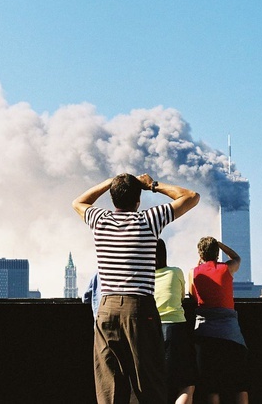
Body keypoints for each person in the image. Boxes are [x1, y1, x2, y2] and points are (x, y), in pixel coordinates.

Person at [72, 173, 200, 404]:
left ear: (112, 199)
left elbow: (78, 202)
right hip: (139, 309)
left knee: (109, 385)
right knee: (148, 382)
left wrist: (110, 183)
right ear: (138, 200)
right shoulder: (149, 219)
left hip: (107, 308)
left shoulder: (100, 220)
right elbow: (191, 197)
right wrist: (152, 185)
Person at [188, 237, 248, 404]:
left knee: (211, 386)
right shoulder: (227, 268)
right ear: (217, 253)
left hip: (204, 332)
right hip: (230, 333)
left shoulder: (193, 272)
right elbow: (237, 258)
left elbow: (193, 296)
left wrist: (200, 263)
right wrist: (220, 245)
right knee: (239, 385)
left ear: (200, 253)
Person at [154, 239, 197, 404]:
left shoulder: (144, 276)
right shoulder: (175, 272)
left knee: (156, 384)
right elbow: (180, 297)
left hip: (151, 331)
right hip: (176, 330)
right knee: (186, 385)